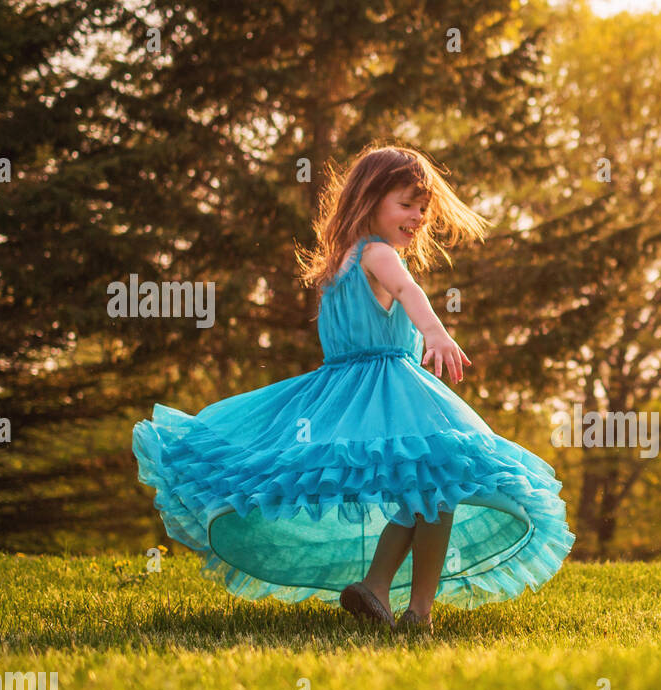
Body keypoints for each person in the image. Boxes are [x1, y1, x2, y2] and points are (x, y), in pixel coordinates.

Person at [132, 144, 575, 636]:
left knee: (425, 492)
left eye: (423, 208)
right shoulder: (380, 254)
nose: (418, 217)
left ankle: (376, 588)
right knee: (441, 485)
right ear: (370, 199)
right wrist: (434, 331)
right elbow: (409, 291)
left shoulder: (337, 263)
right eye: (406, 204)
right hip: (388, 386)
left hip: (341, 389)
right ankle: (420, 612)